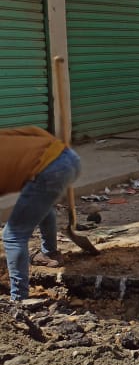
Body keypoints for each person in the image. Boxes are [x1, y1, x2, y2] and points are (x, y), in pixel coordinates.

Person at [1, 127, 82, 304]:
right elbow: (35, 130)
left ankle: (19, 300)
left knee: (13, 235)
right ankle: (50, 253)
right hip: (68, 157)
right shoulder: (6, 136)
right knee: (41, 205)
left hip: (50, 172)